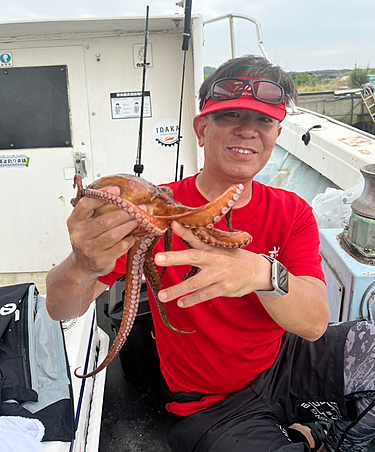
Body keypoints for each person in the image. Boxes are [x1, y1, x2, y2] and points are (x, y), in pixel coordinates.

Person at [46, 55, 375, 452]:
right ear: (202, 129)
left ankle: (315, 434)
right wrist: (83, 264)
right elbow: (61, 307)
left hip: (283, 362)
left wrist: (262, 274)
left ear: (276, 134)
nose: (248, 131)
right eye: (231, 115)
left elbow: (314, 324)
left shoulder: (293, 210)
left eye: (264, 121)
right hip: (211, 404)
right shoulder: (152, 209)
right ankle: (312, 436)